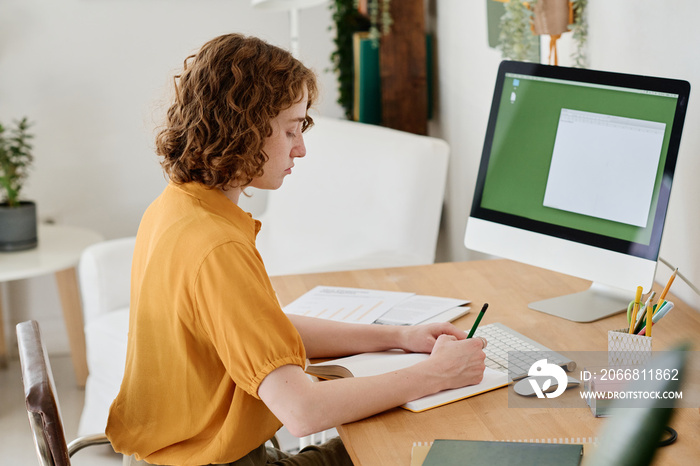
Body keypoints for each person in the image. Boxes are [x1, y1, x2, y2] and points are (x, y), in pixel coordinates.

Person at [105, 33, 487, 466]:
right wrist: (436, 374)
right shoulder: (217, 246)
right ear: (243, 129)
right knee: (412, 439)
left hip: (169, 458)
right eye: (290, 131)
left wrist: (399, 337)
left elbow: (260, 330)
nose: (300, 149)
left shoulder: (176, 206)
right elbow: (302, 411)